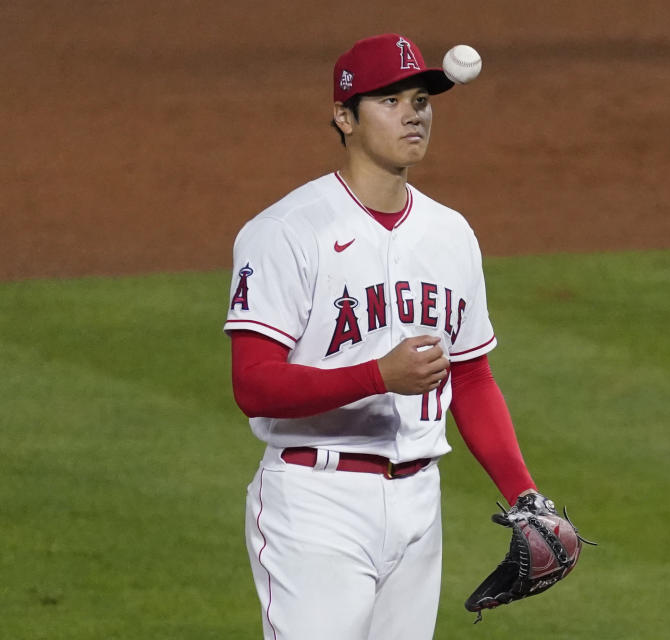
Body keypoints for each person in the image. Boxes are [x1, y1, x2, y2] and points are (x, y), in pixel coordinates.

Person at [223, 33, 538, 640]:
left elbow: (470, 375)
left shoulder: (451, 233)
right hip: (316, 503)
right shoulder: (287, 232)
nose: (413, 113)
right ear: (344, 117)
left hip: (420, 503)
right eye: (389, 101)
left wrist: (523, 493)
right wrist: (378, 377)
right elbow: (252, 384)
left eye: (420, 99)